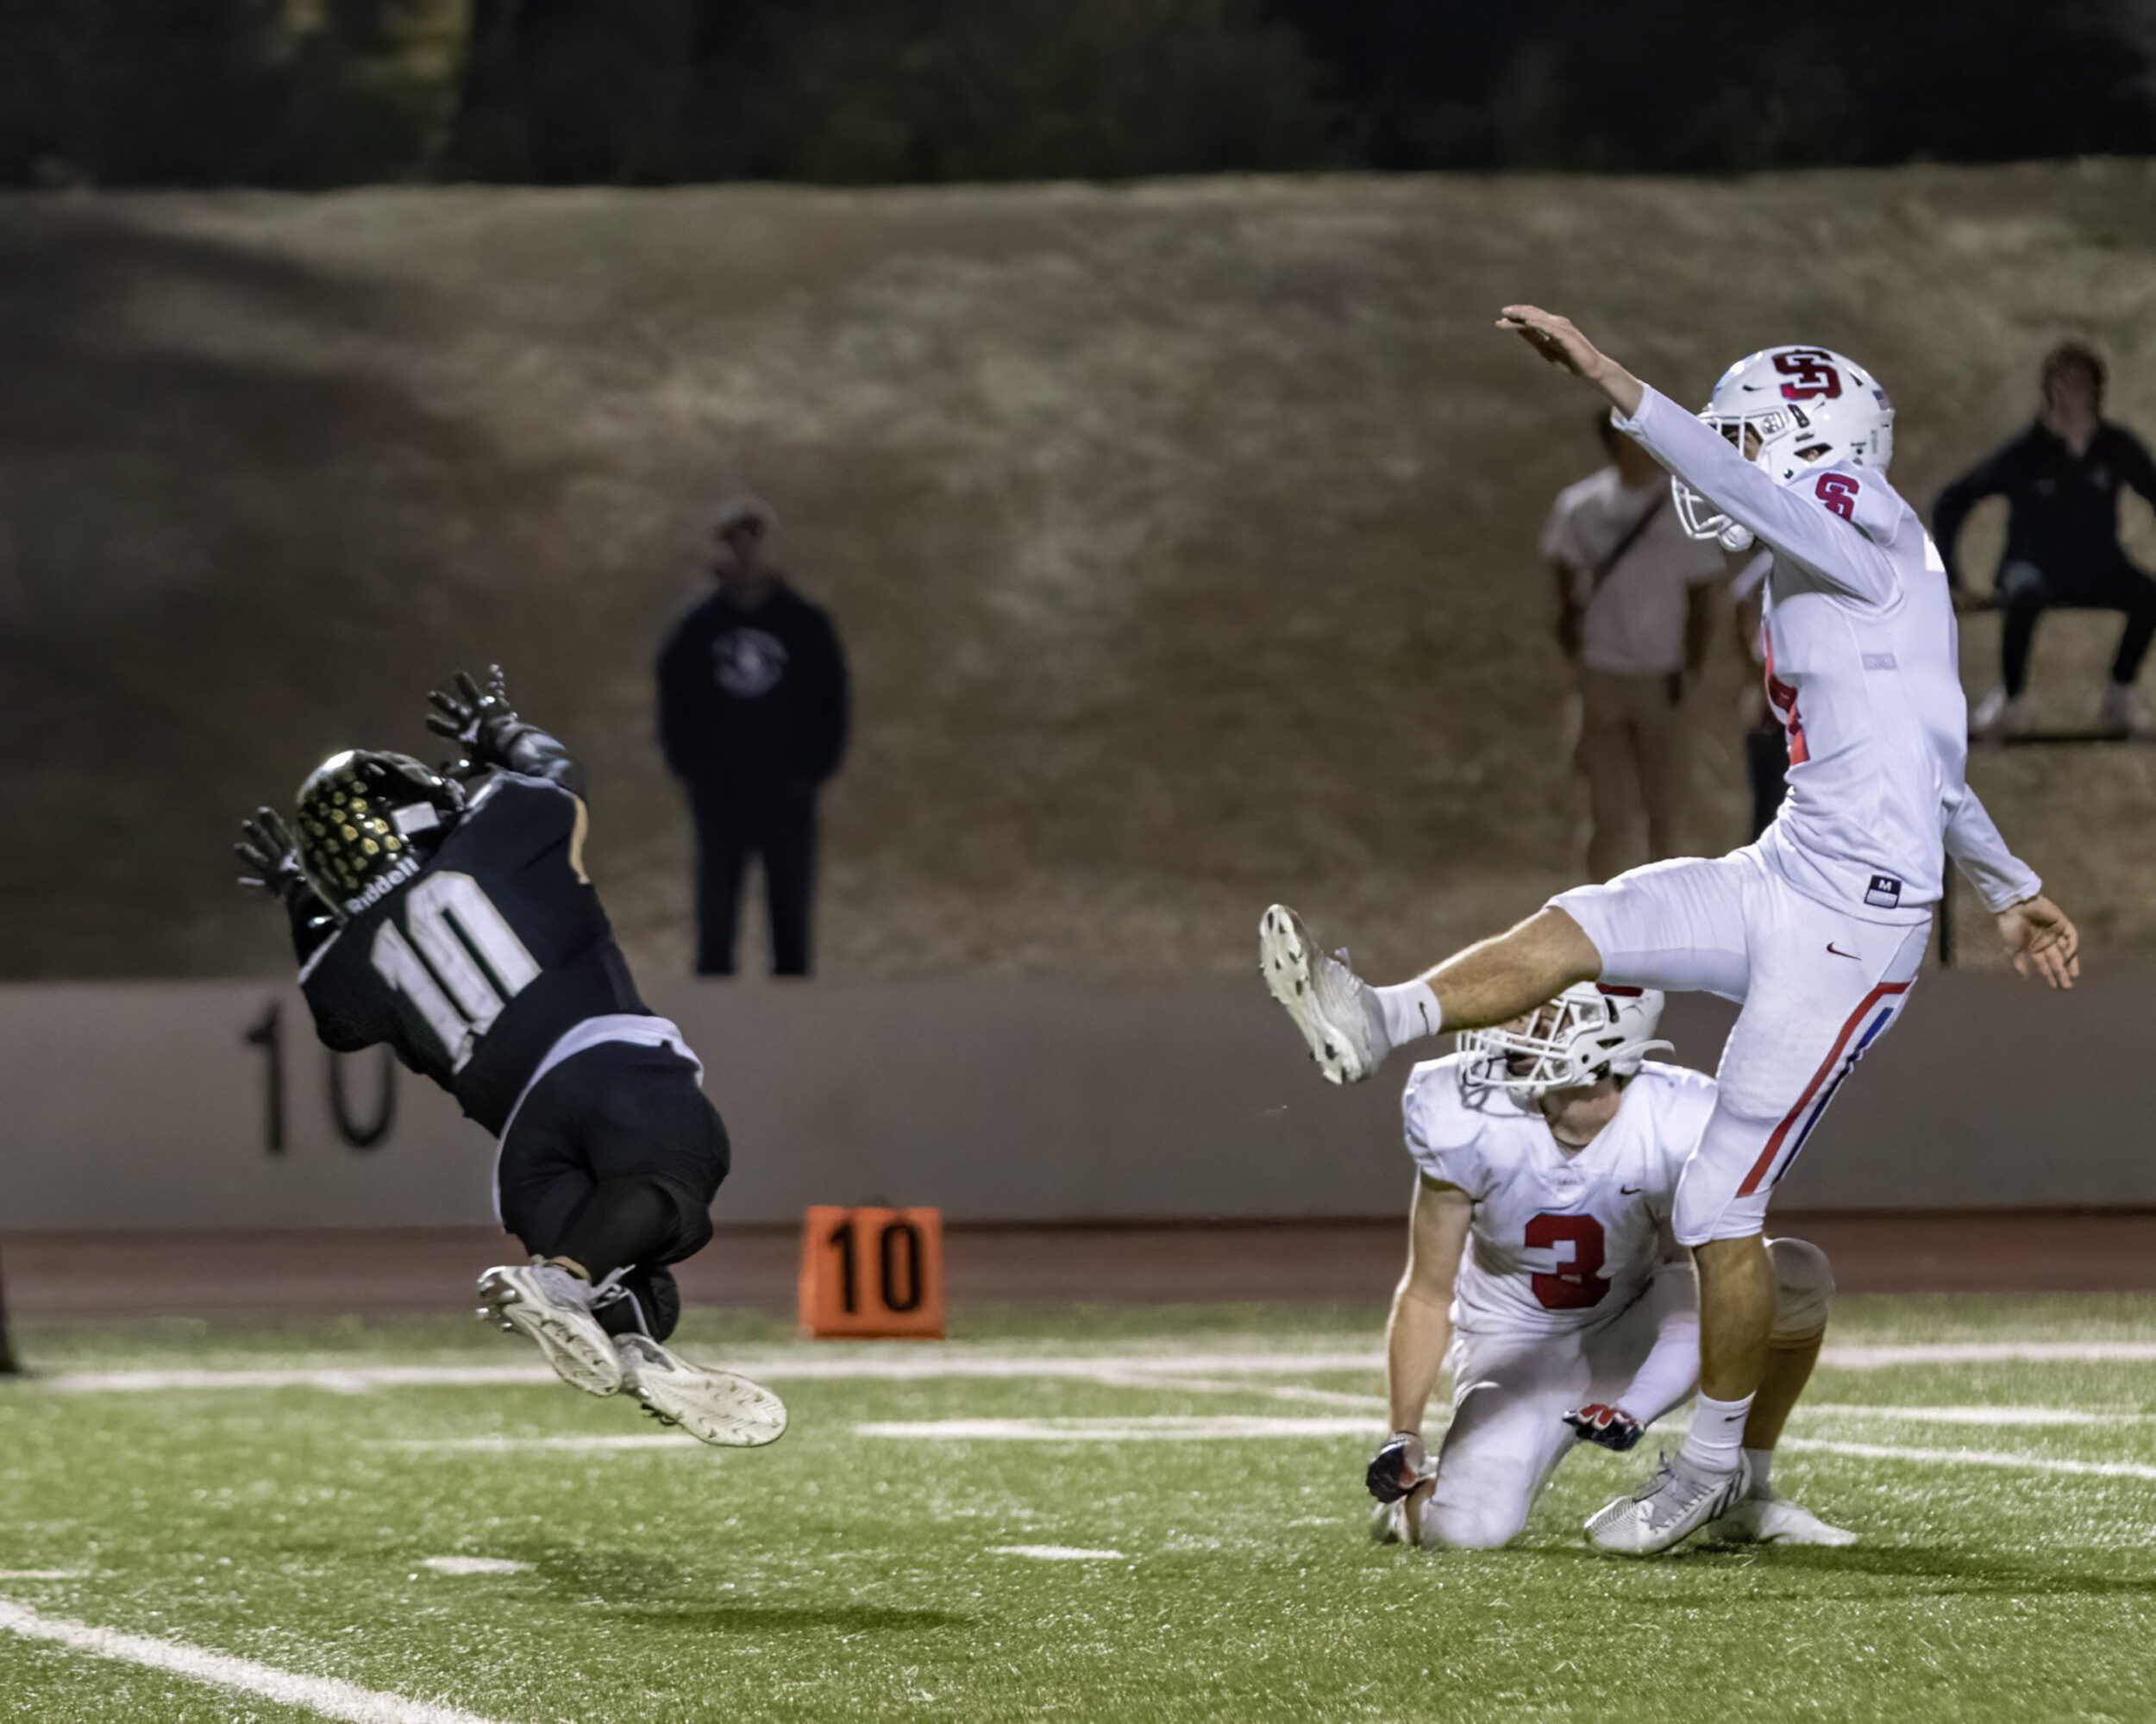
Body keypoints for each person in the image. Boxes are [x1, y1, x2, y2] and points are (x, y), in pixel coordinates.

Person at [1263, 308, 2079, 1557]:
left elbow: (1744, 487)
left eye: (1755, 436)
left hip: (1856, 926)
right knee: (1588, 919)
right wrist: (2012, 882)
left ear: (1810, 446)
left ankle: (1708, 1471)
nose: (1736, 459)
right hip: (1789, 868)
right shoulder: (1853, 567)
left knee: (1719, 1198)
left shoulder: (1860, 528)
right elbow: (1928, 759)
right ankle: (1384, 1014)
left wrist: (1607, 377)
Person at [235, 666, 786, 1449]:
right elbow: (557, 774)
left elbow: (337, 1010)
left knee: (635, 1276)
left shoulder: (348, 963)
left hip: (525, 1152)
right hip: (606, 1068)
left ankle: (627, 1340)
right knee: (680, 1162)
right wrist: (496, 729)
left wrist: (298, 893)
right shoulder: (502, 829)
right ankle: (558, 1285)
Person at [1368, 984, 1848, 1550]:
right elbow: (1426, 1293)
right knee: (1465, 1530)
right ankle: (1412, 1505)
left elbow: (1693, 1293)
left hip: (1630, 1319)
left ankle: (1745, 1488)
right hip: (1512, 1346)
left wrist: (1636, 1402)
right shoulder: (1466, 1108)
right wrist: (1403, 1432)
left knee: (1791, 1273)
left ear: (1609, 1034)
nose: (1511, 1030)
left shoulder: (1678, 1117)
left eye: (1546, 1020)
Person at [657, 492, 850, 976]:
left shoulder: (806, 626)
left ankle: (793, 1036)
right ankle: (716, 1039)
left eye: (753, 542)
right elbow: (674, 706)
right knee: (715, 930)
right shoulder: (695, 632)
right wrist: (692, 770)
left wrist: (812, 771)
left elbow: (833, 704)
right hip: (719, 796)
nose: (742, 554)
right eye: (731, 542)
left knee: (791, 929)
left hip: (787, 794)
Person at [1934, 342, 2156, 738]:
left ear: (2096, 392)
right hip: (2032, 565)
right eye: (2061, 384)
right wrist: (1952, 577)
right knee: (2025, 593)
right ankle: (2013, 700)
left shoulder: (2115, 448)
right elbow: (1953, 500)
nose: (2070, 394)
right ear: (2048, 390)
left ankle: (2120, 694)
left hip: (2101, 567)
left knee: (2149, 595)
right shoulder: (2026, 453)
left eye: (2080, 385)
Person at [1543, 412, 1732, 876]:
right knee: (1606, 810)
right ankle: (1599, 913)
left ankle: (1661, 916)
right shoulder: (1581, 506)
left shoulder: (1683, 511)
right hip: (1603, 672)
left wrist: (1688, 669)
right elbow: (1564, 591)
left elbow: (1703, 598)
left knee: (1663, 808)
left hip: (1660, 675)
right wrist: (1581, 657)